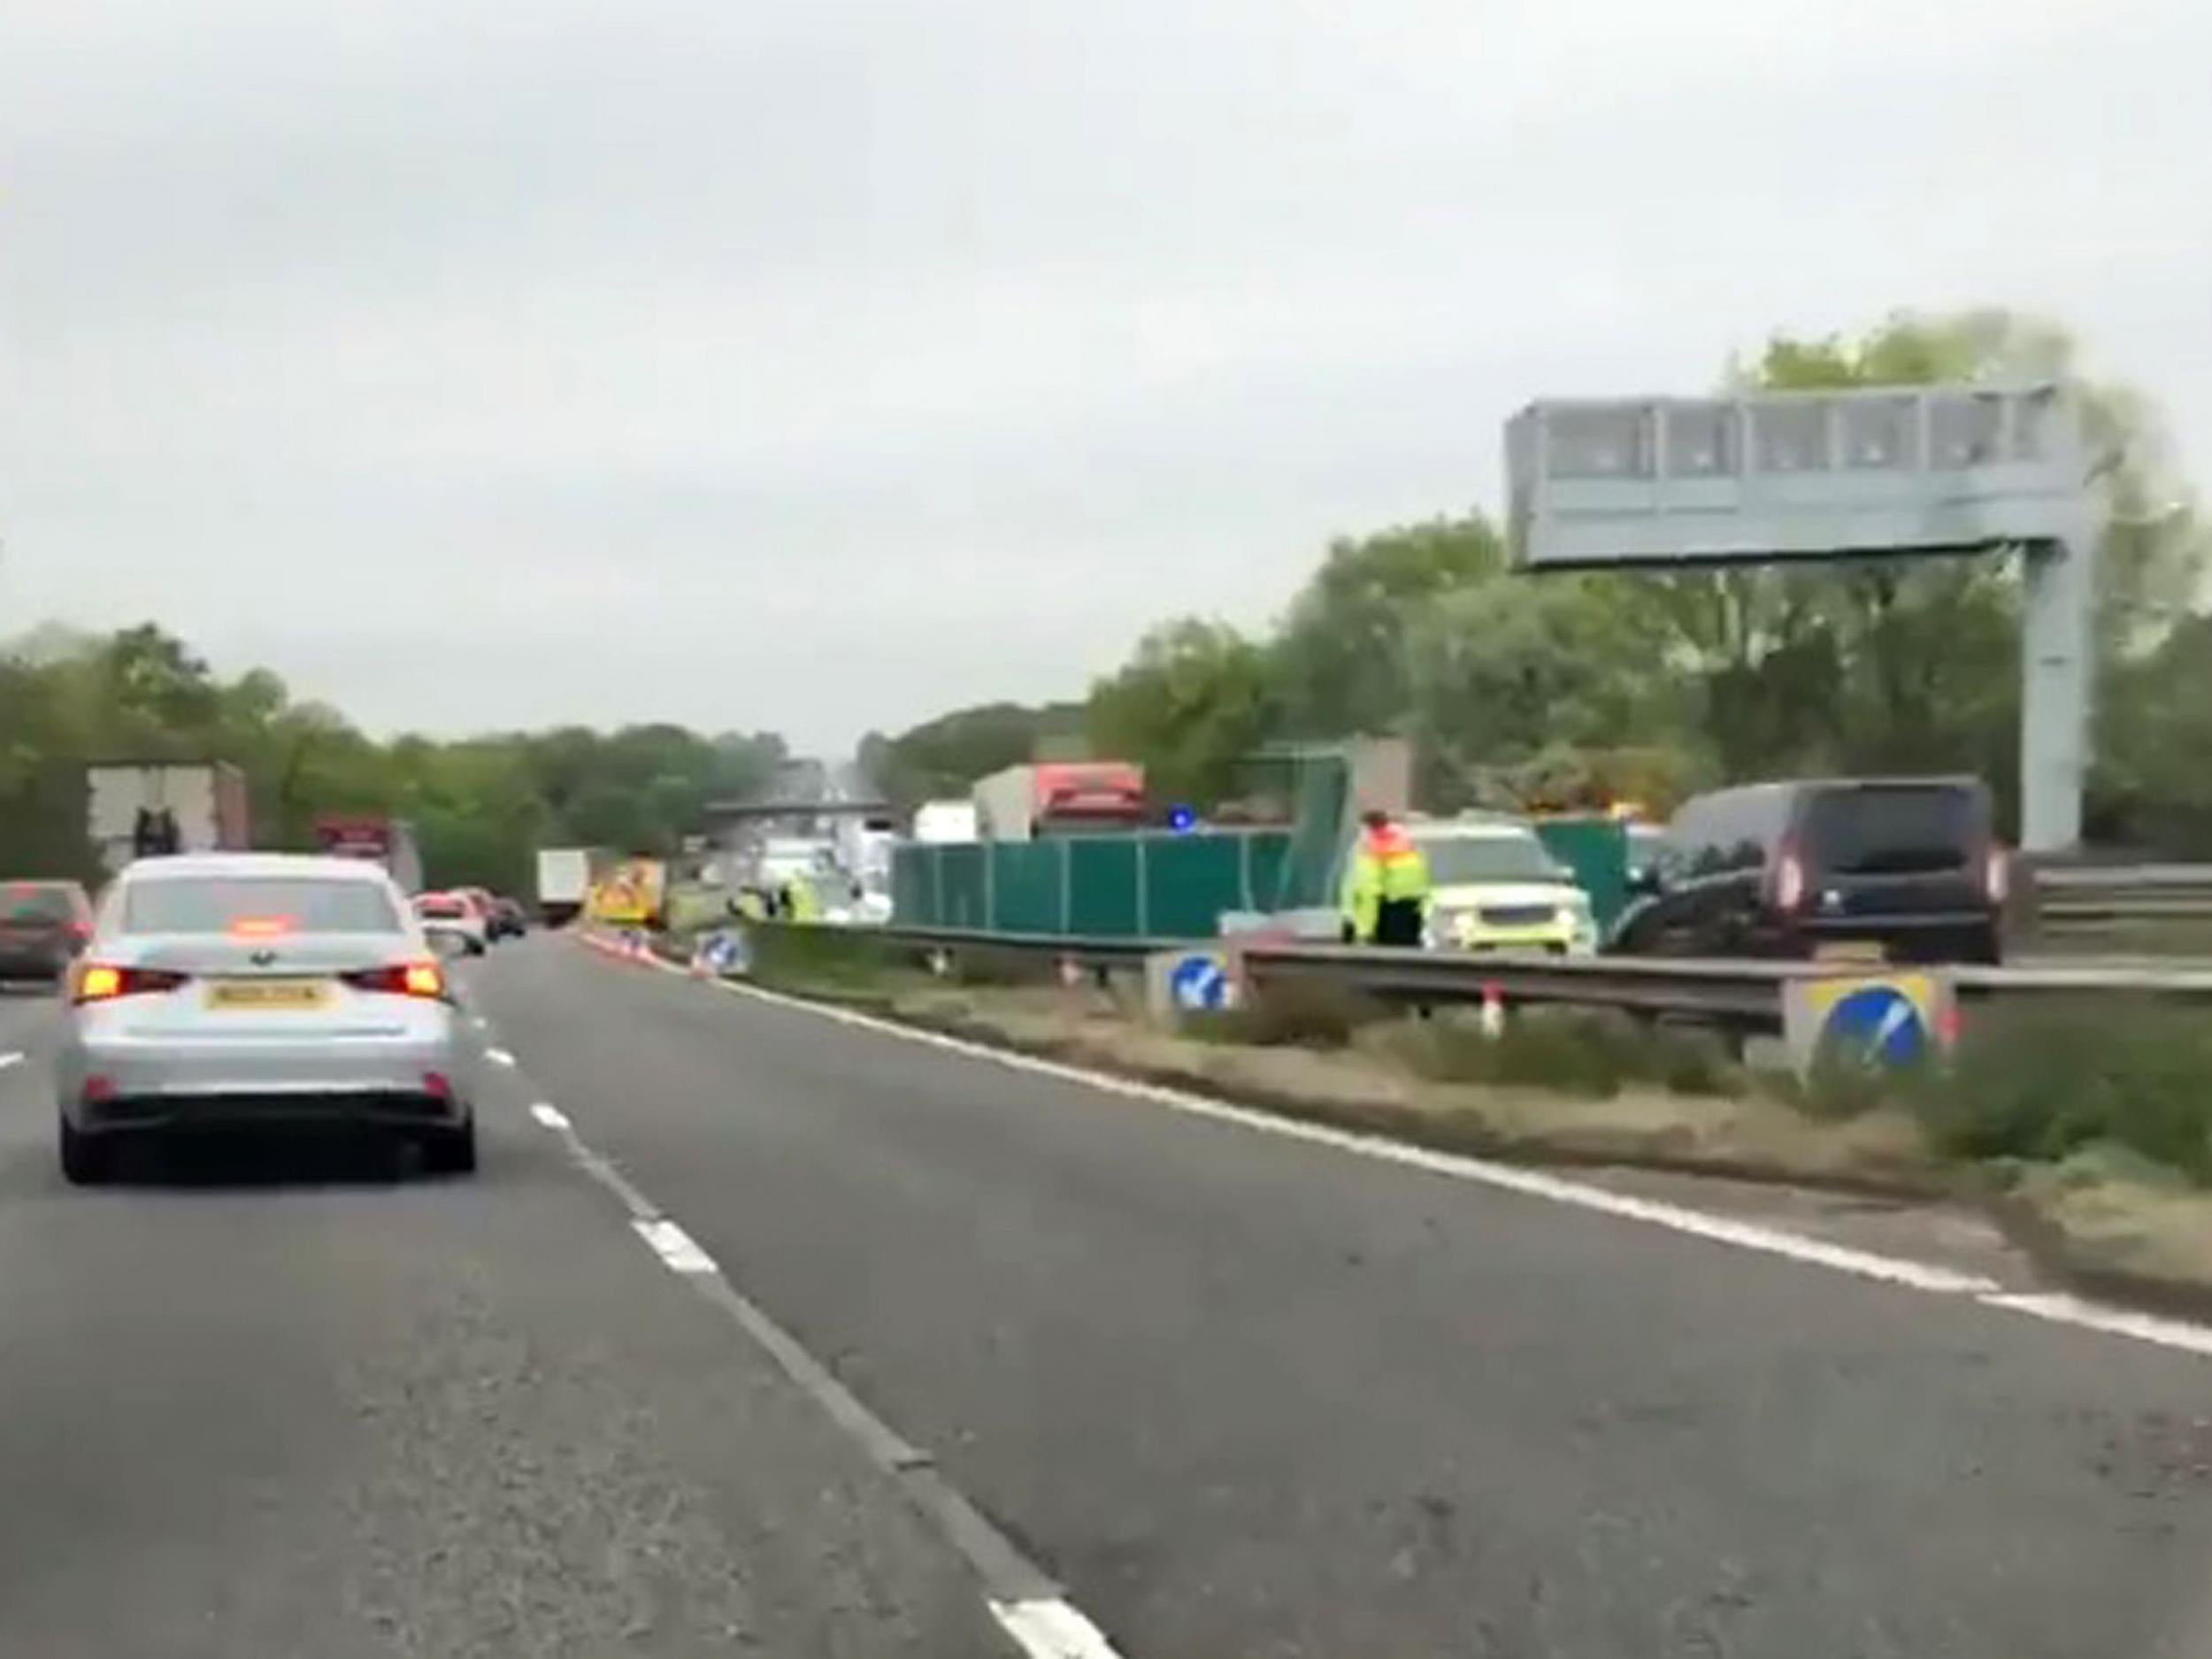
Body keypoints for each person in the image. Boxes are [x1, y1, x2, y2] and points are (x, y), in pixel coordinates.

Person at [1339, 809, 1432, 947]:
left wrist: (1357, 928)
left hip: (1381, 920)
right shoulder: (1407, 841)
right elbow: (1423, 887)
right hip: (1409, 913)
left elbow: (1364, 892)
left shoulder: (1368, 848)